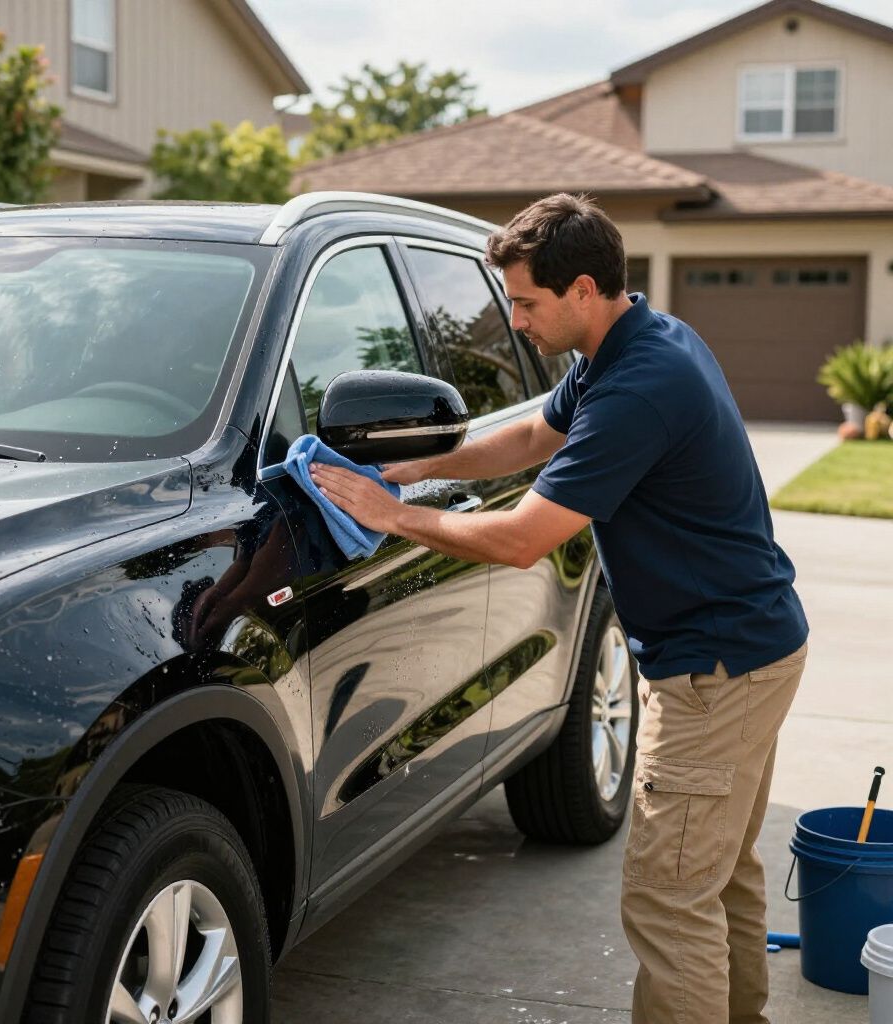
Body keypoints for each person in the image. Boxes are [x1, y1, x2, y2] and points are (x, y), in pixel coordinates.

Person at [308, 192, 809, 1024]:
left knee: (667, 899)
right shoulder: (630, 343)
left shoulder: (640, 388)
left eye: (527, 302)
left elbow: (522, 540)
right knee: (719, 875)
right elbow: (537, 438)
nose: (515, 319)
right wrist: (407, 472)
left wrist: (393, 517)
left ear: (582, 289)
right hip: (750, 651)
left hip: (715, 671)